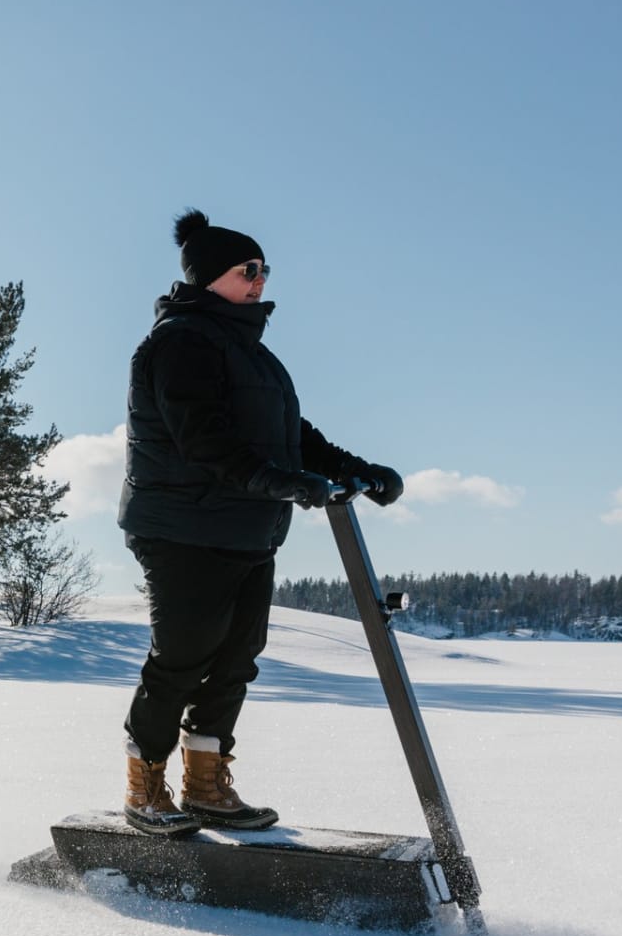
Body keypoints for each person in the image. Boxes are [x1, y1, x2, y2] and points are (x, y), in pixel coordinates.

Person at [117, 209, 406, 838]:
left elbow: (291, 436)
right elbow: (204, 443)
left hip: (247, 529)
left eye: (264, 269)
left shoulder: (254, 355)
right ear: (210, 276)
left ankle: (205, 783)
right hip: (183, 526)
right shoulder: (178, 343)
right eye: (248, 270)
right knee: (182, 656)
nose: (260, 280)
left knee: (236, 658)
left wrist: (355, 470)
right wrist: (284, 482)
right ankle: (145, 786)